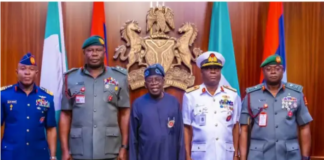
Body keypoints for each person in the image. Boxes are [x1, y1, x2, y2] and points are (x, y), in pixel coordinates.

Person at [59, 35, 130, 160]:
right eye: (90, 50)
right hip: (79, 150)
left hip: (110, 149)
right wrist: (65, 150)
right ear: (84, 53)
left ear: (104, 52)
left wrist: (124, 147)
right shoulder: (70, 78)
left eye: (98, 50)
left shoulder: (119, 77)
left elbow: (125, 113)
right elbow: (65, 115)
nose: (94, 54)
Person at [239, 55, 313, 160]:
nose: (273, 72)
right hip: (259, 155)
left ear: (283, 71)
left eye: (277, 69)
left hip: (289, 155)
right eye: (268, 69)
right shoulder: (251, 95)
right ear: (263, 72)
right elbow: (244, 129)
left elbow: (304, 127)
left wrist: (305, 157)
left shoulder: (296, 93)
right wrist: (242, 158)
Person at [182, 51, 241, 160]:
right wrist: (187, 156)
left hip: (226, 154)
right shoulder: (191, 96)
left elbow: (235, 125)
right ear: (202, 71)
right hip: (201, 155)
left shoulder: (232, 95)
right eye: (209, 69)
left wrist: (236, 154)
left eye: (217, 69)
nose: (213, 72)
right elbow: (186, 127)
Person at [1, 53, 57, 160]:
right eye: (23, 69)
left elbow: (51, 128)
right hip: (11, 154)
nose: (27, 73)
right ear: (17, 72)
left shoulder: (47, 97)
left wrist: (53, 156)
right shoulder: (3, 95)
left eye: (31, 69)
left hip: (39, 155)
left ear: (36, 73)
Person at [129, 64, 185, 160]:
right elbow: (133, 138)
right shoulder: (137, 104)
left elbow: (180, 136)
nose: (154, 83)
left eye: (157, 80)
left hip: (169, 156)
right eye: (150, 81)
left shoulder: (174, 102)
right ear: (145, 85)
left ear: (163, 82)